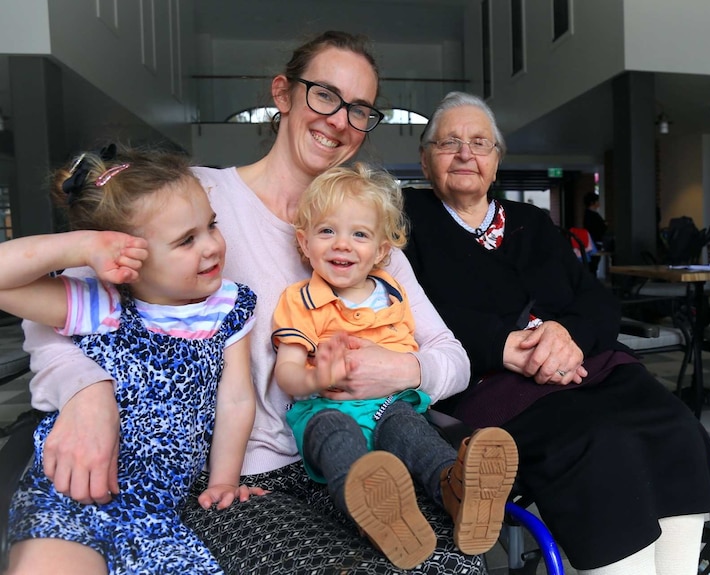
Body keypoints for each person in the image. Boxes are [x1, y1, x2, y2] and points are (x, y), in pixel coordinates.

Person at [21, 32, 485, 574]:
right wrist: (85, 390)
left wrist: (401, 368)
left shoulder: (371, 244)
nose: (339, 120)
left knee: (452, 565)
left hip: (366, 455)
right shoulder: (197, 201)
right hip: (242, 477)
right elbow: (63, 298)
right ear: (283, 94)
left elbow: (452, 359)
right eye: (324, 95)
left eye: (359, 110)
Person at [402, 91, 710, 575]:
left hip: (583, 364)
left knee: (676, 428)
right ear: (425, 161)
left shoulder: (531, 222)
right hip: (493, 381)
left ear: (496, 160)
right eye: (449, 142)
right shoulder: (405, 221)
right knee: (598, 442)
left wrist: (567, 334)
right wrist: (502, 346)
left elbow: (592, 299)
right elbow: (400, 310)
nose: (466, 153)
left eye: (480, 143)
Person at [3, 144, 259, 574]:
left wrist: (224, 480)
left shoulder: (228, 306)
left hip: (164, 510)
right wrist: (82, 247)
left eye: (211, 226)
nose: (212, 246)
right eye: (186, 240)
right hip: (72, 492)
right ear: (128, 258)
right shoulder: (98, 302)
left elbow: (235, 400)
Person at [271, 162, 517, 569]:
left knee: (408, 426)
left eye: (360, 234)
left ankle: (457, 492)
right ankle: (377, 513)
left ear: (383, 251)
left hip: (389, 408)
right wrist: (317, 376)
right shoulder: (301, 300)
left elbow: (441, 350)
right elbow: (287, 372)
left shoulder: (394, 293)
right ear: (304, 241)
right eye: (327, 231)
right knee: (335, 435)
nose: (342, 245)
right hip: (325, 410)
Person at [581, 192, 608, 275]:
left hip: (592, 242)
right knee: (593, 264)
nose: (598, 203)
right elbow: (599, 228)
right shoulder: (592, 215)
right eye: (597, 201)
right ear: (592, 203)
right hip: (595, 242)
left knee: (592, 264)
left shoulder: (588, 214)